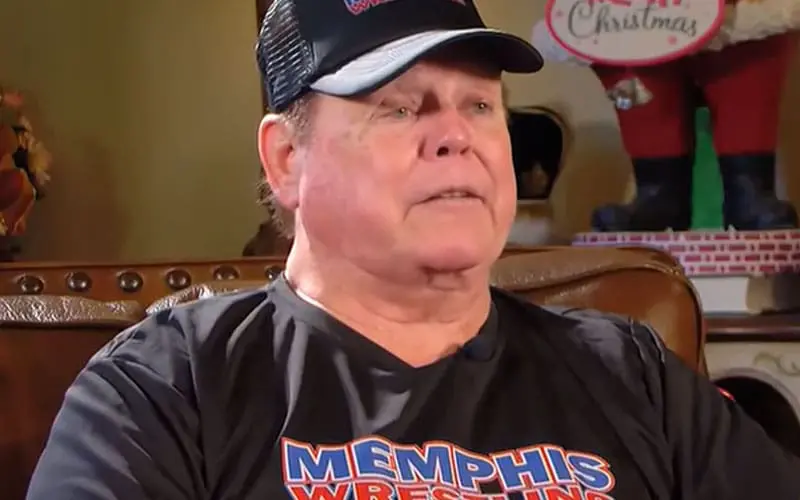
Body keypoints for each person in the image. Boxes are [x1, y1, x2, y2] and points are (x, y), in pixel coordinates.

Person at [26, 0, 800, 498]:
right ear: (287, 161)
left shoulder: (631, 373)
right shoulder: (164, 390)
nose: (457, 136)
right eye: (398, 108)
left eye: (479, 104)